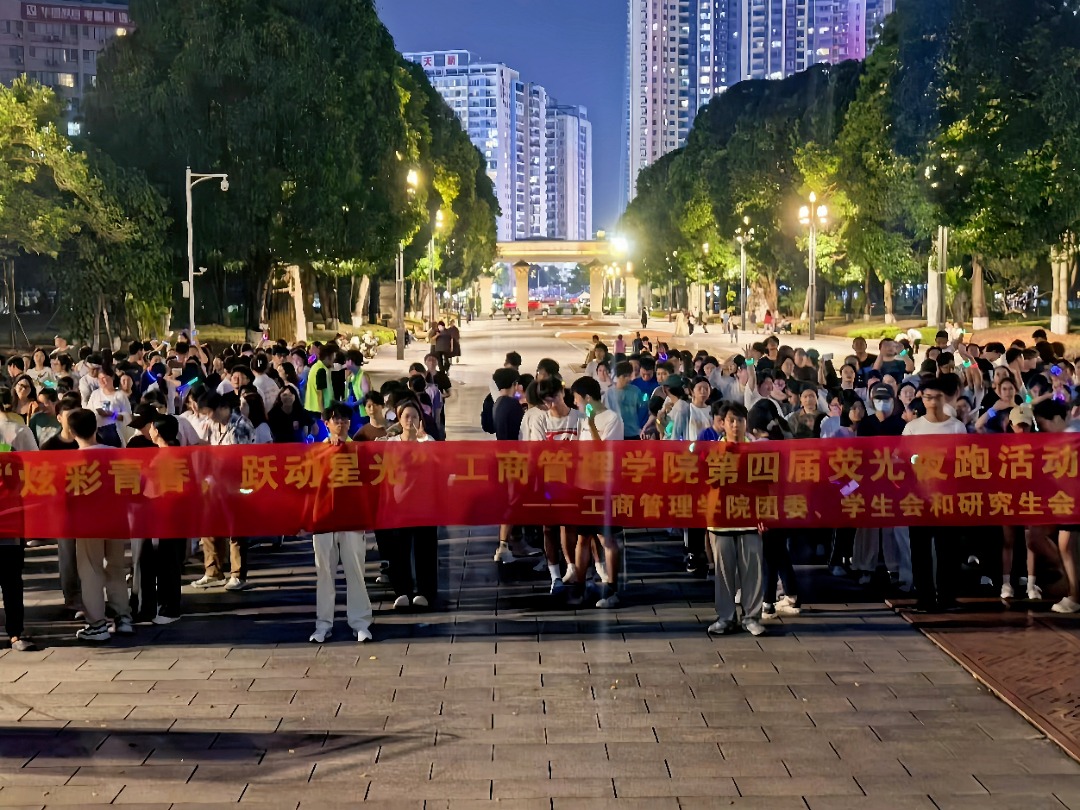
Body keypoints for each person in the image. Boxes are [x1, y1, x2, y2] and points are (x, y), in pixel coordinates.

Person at [309, 402, 374, 643]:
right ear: (326, 423)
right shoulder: (316, 451)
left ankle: (360, 622)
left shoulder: (358, 450)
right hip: (324, 520)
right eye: (336, 419)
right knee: (324, 574)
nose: (341, 423)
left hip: (352, 520)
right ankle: (323, 624)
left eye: (345, 419)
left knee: (355, 572)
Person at [902, 378, 967, 612]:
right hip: (920, 496)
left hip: (947, 496)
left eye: (936, 397)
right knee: (920, 550)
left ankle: (947, 596)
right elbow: (903, 459)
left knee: (948, 549)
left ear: (944, 398)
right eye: (927, 397)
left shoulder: (956, 427)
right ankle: (925, 597)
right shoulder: (913, 428)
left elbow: (964, 460)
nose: (931, 402)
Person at [68, 408, 133, 642]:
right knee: (116, 567)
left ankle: (97, 624)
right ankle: (123, 617)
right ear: (96, 427)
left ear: (71, 432)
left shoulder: (71, 461)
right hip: (116, 518)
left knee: (91, 570)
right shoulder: (115, 454)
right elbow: (135, 483)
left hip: (87, 522)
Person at [707, 403, 766, 637]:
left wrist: (763, 514)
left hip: (750, 518)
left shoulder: (756, 451)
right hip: (720, 518)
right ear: (722, 423)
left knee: (752, 571)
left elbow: (764, 486)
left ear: (746, 423)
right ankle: (726, 617)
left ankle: (751, 617)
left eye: (740, 420)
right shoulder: (713, 451)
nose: (735, 425)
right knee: (723, 571)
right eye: (731, 420)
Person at [569, 375, 624, 609]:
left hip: (605, 487)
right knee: (583, 537)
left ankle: (612, 588)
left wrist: (591, 423)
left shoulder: (612, 419)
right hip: (583, 485)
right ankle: (580, 586)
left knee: (606, 538)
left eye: (577, 399)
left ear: (588, 398)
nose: (576, 403)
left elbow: (603, 452)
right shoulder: (582, 420)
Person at [382, 400, 439, 609]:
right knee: (399, 549)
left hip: (424, 504)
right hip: (400, 504)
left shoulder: (427, 440)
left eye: (414, 416)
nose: (410, 420)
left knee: (425, 549)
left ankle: (425, 591)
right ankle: (402, 591)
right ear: (399, 419)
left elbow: (438, 463)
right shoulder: (391, 443)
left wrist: (424, 439)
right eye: (406, 416)